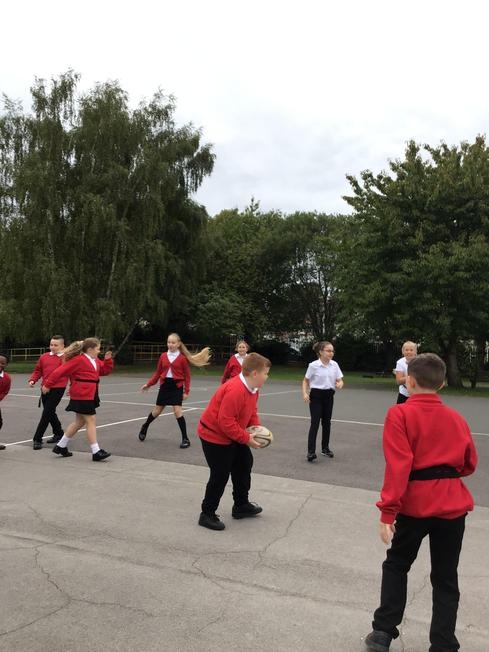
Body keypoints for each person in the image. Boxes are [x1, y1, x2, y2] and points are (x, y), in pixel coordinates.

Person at [364, 353, 478, 652]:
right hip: (452, 505)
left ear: (410, 382)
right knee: (446, 576)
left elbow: (398, 466)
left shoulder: (399, 414)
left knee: (397, 563)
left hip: (416, 504)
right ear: (442, 384)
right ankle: (443, 643)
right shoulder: (457, 418)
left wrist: (388, 511)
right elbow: (469, 463)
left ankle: (383, 631)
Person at [197, 352, 271, 531]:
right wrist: (246, 438)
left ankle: (241, 505)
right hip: (214, 435)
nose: (267, 377)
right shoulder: (236, 389)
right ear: (255, 373)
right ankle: (207, 514)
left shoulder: (253, 389)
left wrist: (256, 430)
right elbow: (225, 422)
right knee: (220, 474)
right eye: (266, 373)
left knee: (244, 463)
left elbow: (252, 412)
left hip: (232, 433)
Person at [42, 338, 114, 461]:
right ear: (90, 349)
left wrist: (107, 361)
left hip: (90, 393)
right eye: (98, 348)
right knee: (91, 420)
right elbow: (59, 371)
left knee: (79, 422)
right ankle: (96, 451)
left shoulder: (95, 360)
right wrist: (48, 384)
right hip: (82, 393)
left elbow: (104, 371)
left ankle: (61, 446)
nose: (99, 351)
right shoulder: (78, 360)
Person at [138, 333, 211, 448]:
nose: (170, 344)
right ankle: (145, 426)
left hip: (176, 387)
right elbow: (157, 373)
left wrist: (186, 391)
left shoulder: (182, 359)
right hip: (165, 386)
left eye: (173, 342)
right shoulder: (163, 356)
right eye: (168, 342)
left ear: (178, 344)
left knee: (177, 412)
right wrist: (149, 384)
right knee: (157, 411)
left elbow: (187, 376)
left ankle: (185, 438)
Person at [302, 341, 343, 462]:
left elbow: (340, 380)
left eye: (332, 351)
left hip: (329, 396)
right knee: (315, 423)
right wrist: (305, 393)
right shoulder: (313, 365)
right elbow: (305, 381)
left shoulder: (334, 365)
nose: (331, 353)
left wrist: (340, 383)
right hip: (316, 396)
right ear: (321, 352)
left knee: (327, 423)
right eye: (328, 351)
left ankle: (325, 448)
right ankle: (311, 452)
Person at [29, 335, 67, 449]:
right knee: (50, 412)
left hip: (58, 388)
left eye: (56, 345)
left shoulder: (66, 358)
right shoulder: (44, 356)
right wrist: (33, 379)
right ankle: (59, 433)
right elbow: (38, 370)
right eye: (51, 345)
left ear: (62, 346)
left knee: (46, 413)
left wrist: (72, 387)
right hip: (45, 388)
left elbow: (69, 373)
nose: (53, 347)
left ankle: (37, 439)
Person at [0, 353, 11, 450]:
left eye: (3, 363)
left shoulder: (6, 378)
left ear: (6, 365)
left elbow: (5, 391)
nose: (0, 364)